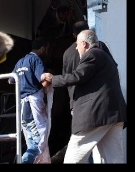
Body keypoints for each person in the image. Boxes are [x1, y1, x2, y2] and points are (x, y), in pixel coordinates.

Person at [41, 29, 127, 163]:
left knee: (73, 159)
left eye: (77, 44)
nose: (76, 47)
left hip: (96, 115)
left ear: (84, 44)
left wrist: (53, 79)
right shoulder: (105, 56)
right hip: (113, 115)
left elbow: (77, 76)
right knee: (112, 159)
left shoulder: (92, 54)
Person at [8, 37, 50, 163]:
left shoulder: (20, 62)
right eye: (47, 49)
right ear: (42, 48)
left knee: (31, 141)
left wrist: (24, 82)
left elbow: (10, 80)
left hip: (23, 108)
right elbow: (43, 81)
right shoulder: (36, 60)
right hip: (34, 107)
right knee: (38, 144)